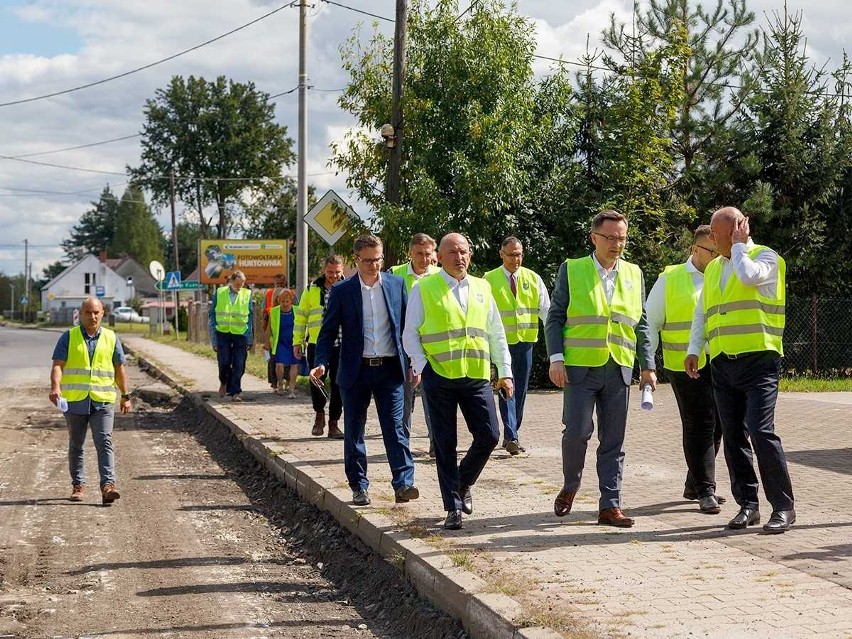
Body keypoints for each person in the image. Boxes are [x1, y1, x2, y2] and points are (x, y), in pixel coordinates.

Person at [686, 207, 795, 533]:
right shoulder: (716, 268)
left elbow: (749, 277)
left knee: (761, 432)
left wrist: (739, 247)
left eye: (718, 235)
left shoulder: (766, 258)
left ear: (735, 231)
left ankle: (784, 508)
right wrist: (695, 348)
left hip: (759, 362)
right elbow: (703, 313)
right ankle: (748, 505)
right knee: (734, 438)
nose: (714, 240)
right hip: (723, 364)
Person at [545, 210, 656, 528]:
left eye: (621, 238)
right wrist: (556, 358)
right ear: (594, 238)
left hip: (618, 367)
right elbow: (555, 316)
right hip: (579, 368)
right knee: (577, 432)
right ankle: (571, 484)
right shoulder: (573, 269)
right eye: (610, 237)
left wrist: (647, 366)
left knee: (614, 441)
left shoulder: (634, 273)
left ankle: (610, 505)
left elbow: (643, 323)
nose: (616, 244)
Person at [403, 232, 513, 530]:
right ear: (440, 256)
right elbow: (410, 333)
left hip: (476, 375)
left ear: (470, 254)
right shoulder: (425, 288)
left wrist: (505, 371)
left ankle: (461, 484)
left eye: (463, 251)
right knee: (445, 444)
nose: (459, 257)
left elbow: (496, 333)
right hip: (439, 376)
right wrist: (421, 365)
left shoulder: (482, 287)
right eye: (452, 252)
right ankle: (452, 508)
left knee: (490, 435)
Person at [311, 235, 417, 506]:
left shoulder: (396, 285)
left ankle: (403, 483)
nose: (374, 265)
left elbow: (407, 328)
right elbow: (327, 331)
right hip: (354, 371)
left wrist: (415, 361)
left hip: (390, 370)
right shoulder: (342, 291)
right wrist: (321, 362)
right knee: (354, 430)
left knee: (395, 428)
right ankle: (359, 486)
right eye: (368, 260)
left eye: (379, 259)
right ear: (356, 259)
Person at [646, 225, 725, 514]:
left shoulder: (722, 275)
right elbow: (650, 322)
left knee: (718, 426)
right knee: (699, 424)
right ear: (694, 249)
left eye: (719, 250)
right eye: (711, 251)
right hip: (684, 365)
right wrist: (647, 363)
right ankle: (706, 490)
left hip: (719, 362)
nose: (716, 255)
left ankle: (695, 484)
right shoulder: (671, 279)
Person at [48, 297, 132, 505]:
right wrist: (55, 387)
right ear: (81, 314)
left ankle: (108, 486)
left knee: (104, 442)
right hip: (75, 401)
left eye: (96, 312)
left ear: (103, 313)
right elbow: (58, 365)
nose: (92, 316)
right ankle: (78, 485)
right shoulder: (69, 337)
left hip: (102, 401)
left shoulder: (112, 338)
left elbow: (119, 369)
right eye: (88, 312)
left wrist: (125, 395)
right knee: (77, 444)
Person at [484, 236, 551, 455]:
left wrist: (556, 340)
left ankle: (512, 432)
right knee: (506, 385)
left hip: (525, 342)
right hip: (499, 344)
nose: (516, 259)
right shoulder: (489, 279)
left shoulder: (533, 278)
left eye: (519, 254)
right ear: (501, 254)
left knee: (520, 390)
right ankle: (511, 435)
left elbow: (546, 312)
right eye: (512, 254)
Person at [390, 233, 441, 456]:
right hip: (403, 348)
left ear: (434, 254)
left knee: (434, 400)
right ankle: (402, 445)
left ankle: (435, 442)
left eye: (428, 254)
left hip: (434, 349)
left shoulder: (441, 276)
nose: (423, 259)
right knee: (404, 400)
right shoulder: (396, 274)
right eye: (419, 254)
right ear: (410, 252)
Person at [294, 256, 345, 438]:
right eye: (330, 272)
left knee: (340, 384)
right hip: (317, 344)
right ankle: (319, 416)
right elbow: (301, 317)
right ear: (324, 270)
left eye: (337, 272)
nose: (333, 276)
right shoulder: (312, 289)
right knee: (316, 381)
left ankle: (334, 423)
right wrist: (297, 341)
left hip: (342, 344)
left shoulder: (348, 287)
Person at [209, 270, 254, 402]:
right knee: (224, 362)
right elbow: (212, 314)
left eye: (242, 284)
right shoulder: (219, 292)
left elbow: (251, 316)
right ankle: (224, 382)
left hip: (241, 334)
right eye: (238, 284)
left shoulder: (247, 294)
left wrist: (250, 337)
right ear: (232, 281)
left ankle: (235, 391)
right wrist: (214, 338)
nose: (240, 287)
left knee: (239, 363)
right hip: (222, 333)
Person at [265, 288, 300, 398]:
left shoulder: (298, 310)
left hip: (294, 342)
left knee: (294, 365)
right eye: (282, 301)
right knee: (279, 365)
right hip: (280, 342)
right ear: (278, 301)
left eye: (287, 301)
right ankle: (280, 383)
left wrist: (304, 340)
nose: (285, 304)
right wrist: (267, 343)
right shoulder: (274, 311)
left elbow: (303, 326)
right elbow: (269, 329)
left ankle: (291, 389)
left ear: (291, 300)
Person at [263, 273, 287, 389]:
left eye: (282, 284)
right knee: (272, 359)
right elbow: (264, 313)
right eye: (277, 284)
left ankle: (286, 381)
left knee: (287, 360)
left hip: (286, 330)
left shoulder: (290, 294)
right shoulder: (268, 294)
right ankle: (274, 382)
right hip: (272, 330)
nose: (279, 286)